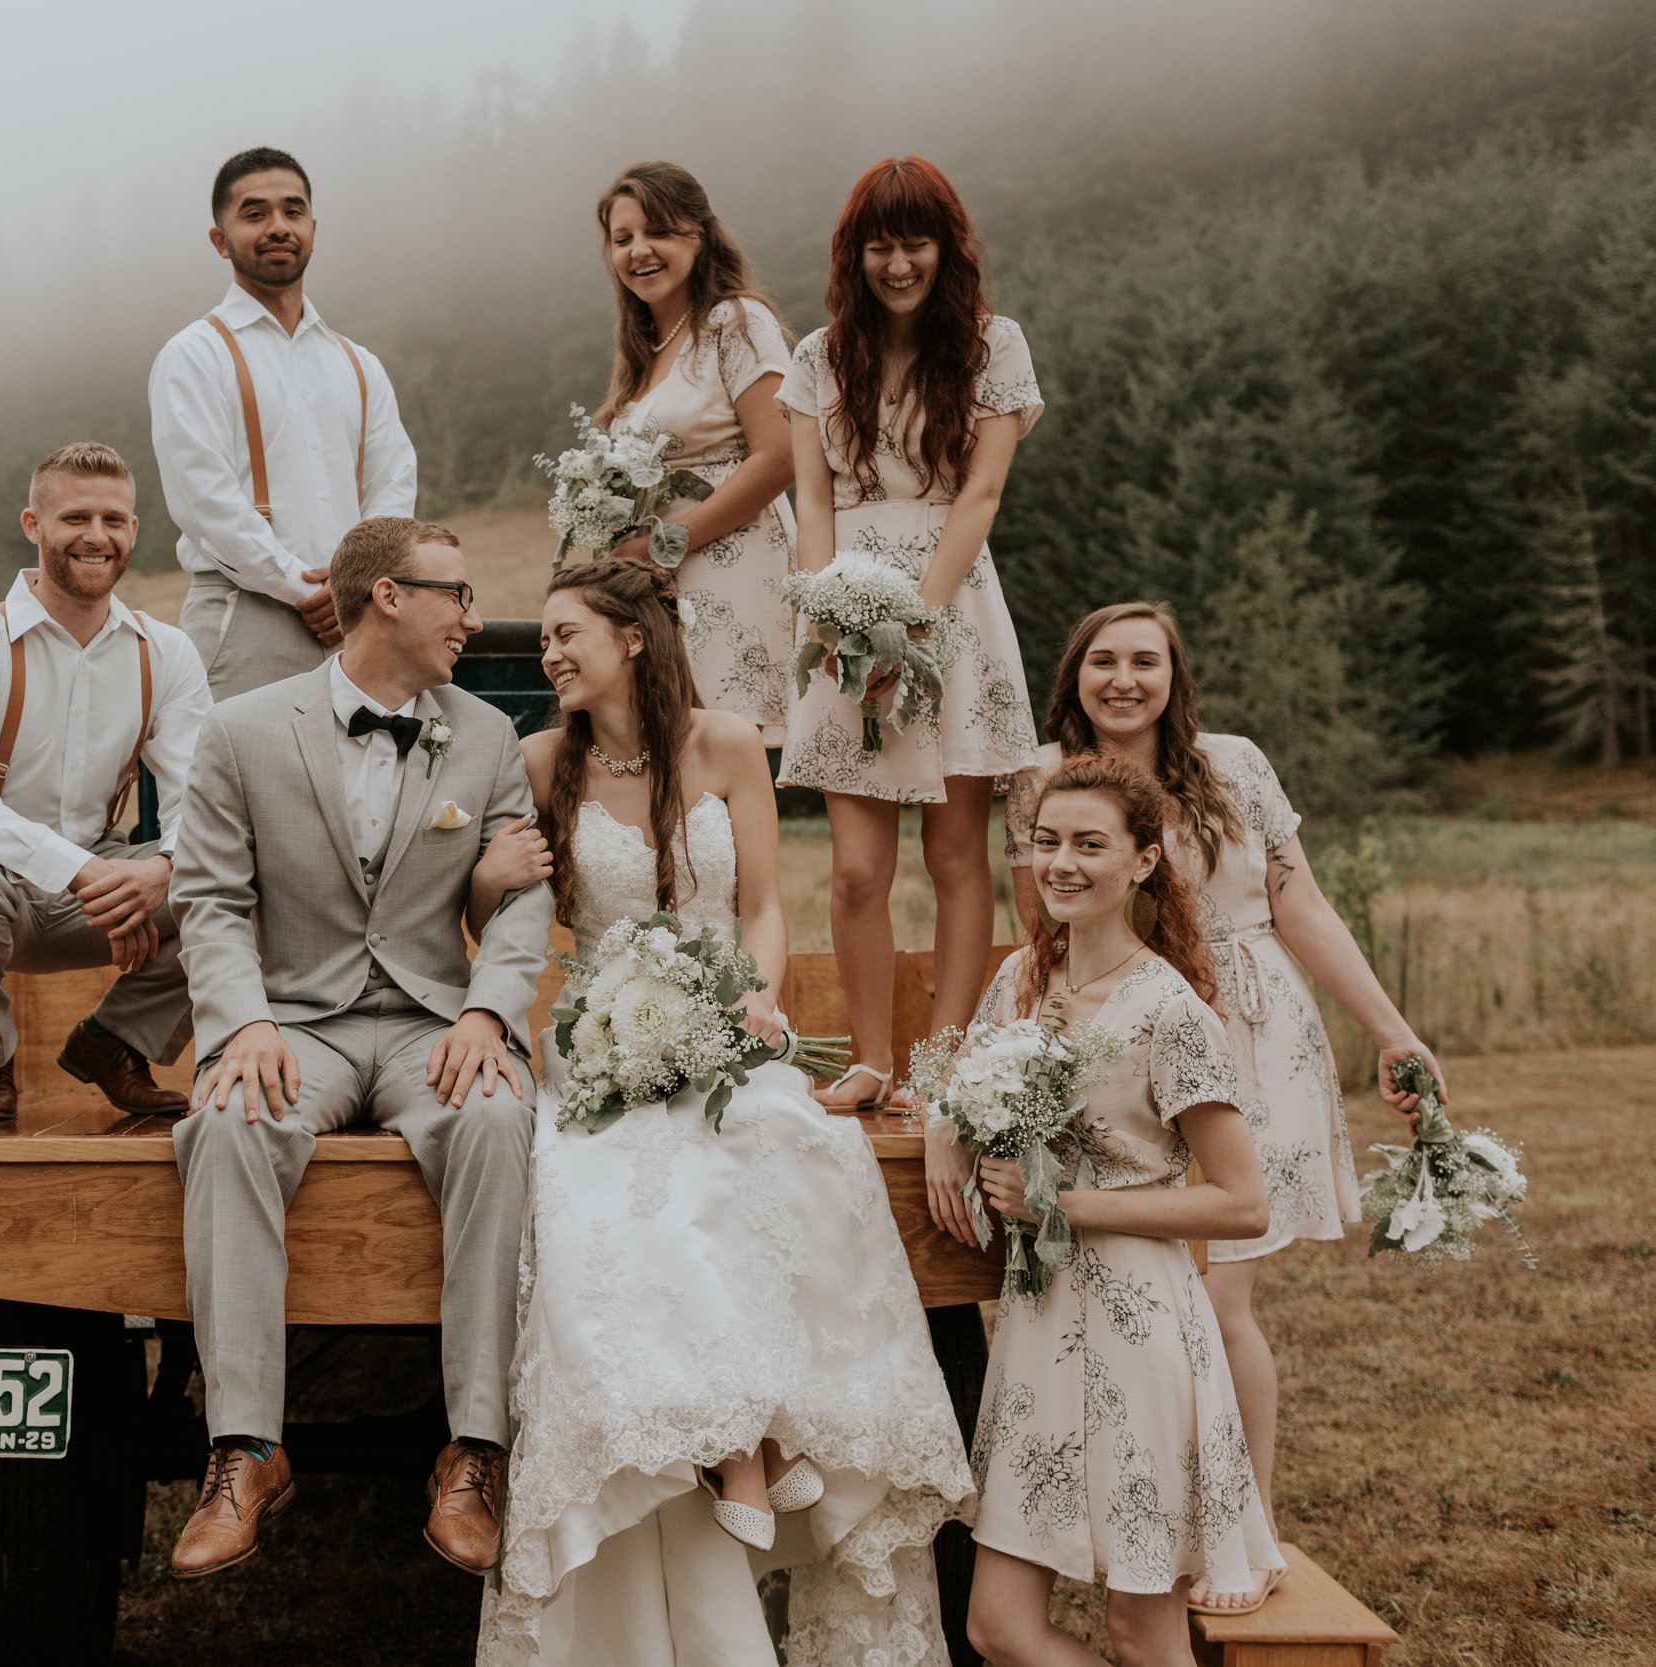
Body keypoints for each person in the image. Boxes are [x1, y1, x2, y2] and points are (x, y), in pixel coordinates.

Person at [469, 561, 973, 1667]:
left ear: (634, 638)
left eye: (566, 635)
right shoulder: (538, 761)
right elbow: (489, 918)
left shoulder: (730, 739)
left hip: (725, 1025)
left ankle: (770, 1427)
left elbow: (758, 904)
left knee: (783, 1142)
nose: (549, 656)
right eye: (546, 640)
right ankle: (737, 1444)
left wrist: (754, 999)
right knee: (617, 1186)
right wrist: (483, 882)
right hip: (601, 1031)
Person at [1004, 601, 1443, 1614]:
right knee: (1152, 1294)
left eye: (1144, 660)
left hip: (1250, 1027)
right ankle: (1131, 1518)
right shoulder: (1038, 778)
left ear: (1172, 674)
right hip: (1122, 1039)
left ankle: (1245, 1528)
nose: (1123, 677)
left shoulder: (1232, 764)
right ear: (1073, 674)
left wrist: (1390, 1028)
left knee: (1228, 1298)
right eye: (1102, 660)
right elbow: (1040, 921)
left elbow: (1303, 903)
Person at [166, 515, 549, 1580]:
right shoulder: (241, 730)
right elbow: (206, 899)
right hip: (296, 1020)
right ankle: (244, 1446)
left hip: (434, 1018)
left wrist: (488, 1014)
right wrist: (242, 1024)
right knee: (229, 1120)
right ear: (387, 595)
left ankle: (475, 1450)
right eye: (455, 594)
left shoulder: (482, 735)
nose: (471, 617)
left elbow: (521, 903)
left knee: (495, 1117)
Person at [966, 754, 1283, 1667]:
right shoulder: (1023, 978)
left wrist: (1061, 1203)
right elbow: (967, 1087)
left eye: (1089, 844)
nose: (1061, 862)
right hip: (1039, 1321)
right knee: (999, 1626)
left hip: (1139, 1321)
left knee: (1143, 1635)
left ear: (1144, 861)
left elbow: (1240, 1200)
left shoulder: (1169, 1008)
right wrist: (952, 1131)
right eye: (1046, 842)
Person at [775, 155, 1043, 1114]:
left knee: (957, 856)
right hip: (842, 603)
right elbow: (810, 496)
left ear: (946, 246)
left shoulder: (991, 344)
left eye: (914, 242)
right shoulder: (816, 356)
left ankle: (946, 1064)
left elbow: (982, 491)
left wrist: (911, 628)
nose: (898, 263)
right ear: (856, 252)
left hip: (951, 601)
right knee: (855, 868)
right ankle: (875, 1059)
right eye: (880, 244)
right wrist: (834, 623)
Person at [0, 441, 211, 1119]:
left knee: (247, 876)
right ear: (33, 525)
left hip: (103, 888)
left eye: (114, 519)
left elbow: (209, 802)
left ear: (133, 530)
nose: (96, 536)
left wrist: (161, 866)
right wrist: (81, 872)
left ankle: (115, 1038)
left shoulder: (165, 654)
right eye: (75, 518)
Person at [151, 146, 419, 699]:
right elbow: (205, 500)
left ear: (313, 228)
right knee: (241, 785)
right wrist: (301, 587)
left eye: (292, 212)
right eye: (255, 214)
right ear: (219, 239)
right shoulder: (194, 354)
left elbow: (393, 482)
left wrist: (359, 588)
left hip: (359, 625)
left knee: (364, 785)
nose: (278, 227)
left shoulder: (359, 363)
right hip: (243, 615)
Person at [591, 162, 800, 744]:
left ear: (699, 234)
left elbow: (780, 457)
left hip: (732, 564)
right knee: (674, 757)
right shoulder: (642, 350)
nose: (640, 251)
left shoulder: (736, 322)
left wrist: (664, 545)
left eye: (657, 231)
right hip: (656, 586)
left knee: (727, 748)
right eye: (623, 239)